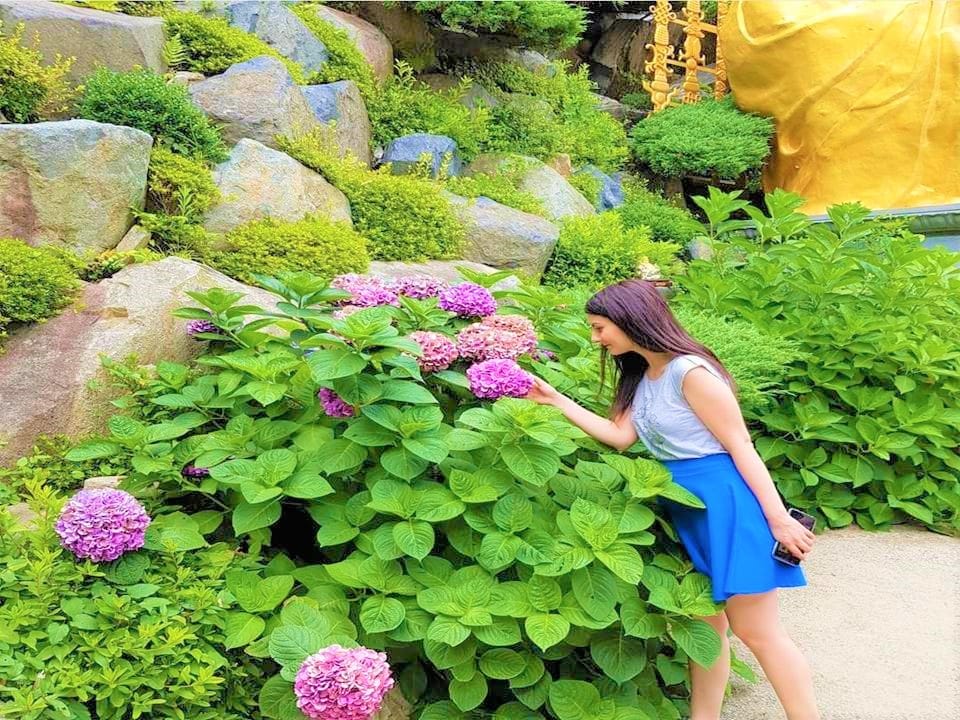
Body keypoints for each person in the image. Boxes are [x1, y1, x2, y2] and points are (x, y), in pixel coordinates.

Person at [525, 279, 820, 720]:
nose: (595, 338)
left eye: (600, 327)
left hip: (726, 502)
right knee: (705, 626)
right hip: (683, 505)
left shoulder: (690, 372)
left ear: (630, 320)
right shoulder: (641, 376)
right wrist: (554, 400)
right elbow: (620, 437)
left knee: (758, 632)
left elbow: (740, 445)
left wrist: (777, 519)